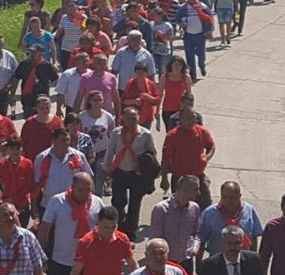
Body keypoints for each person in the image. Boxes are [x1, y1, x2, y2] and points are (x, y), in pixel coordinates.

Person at [103, 107, 157, 238]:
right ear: (123, 118)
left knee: (135, 203)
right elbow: (110, 152)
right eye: (128, 118)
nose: (131, 121)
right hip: (119, 171)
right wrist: (107, 170)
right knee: (118, 202)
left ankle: (131, 230)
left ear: (138, 118)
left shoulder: (145, 134)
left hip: (136, 174)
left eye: (134, 118)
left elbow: (152, 153)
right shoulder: (116, 133)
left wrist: (143, 163)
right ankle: (119, 229)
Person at [31, 127, 93, 221]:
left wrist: (91, 202)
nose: (66, 143)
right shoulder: (42, 158)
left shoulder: (78, 156)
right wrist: (33, 206)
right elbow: (36, 185)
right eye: (63, 140)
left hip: (74, 204)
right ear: (53, 141)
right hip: (49, 205)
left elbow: (89, 179)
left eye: (68, 140)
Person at [160, 108, 215, 210]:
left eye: (194, 117)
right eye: (188, 118)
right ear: (181, 119)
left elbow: (211, 146)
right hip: (179, 179)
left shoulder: (202, 132)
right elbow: (166, 158)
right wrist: (164, 178)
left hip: (198, 177)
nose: (192, 120)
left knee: (206, 206)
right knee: (179, 208)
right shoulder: (172, 135)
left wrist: (206, 157)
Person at [198, 181, 263, 259]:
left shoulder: (249, 210)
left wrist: (252, 259)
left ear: (239, 196)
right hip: (217, 260)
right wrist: (199, 263)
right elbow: (201, 240)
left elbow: (253, 237)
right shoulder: (210, 213)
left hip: (242, 261)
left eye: (232, 197)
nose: (228, 201)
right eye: (224, 197)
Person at [79, 90, 116, 195]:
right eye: (95, 100)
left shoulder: (108, 116)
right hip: (86, 152)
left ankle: (98, 199)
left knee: (99, 176)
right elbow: (78, 134)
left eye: (100, 100)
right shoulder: (82, 116)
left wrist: (112, 154)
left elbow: (113, 136)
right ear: (89, 101)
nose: (98, 102)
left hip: (102, 151)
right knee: (88, 176)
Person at [0, 137, 34, 227]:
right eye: (11, 149)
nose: (15, 151)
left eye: (17, 148)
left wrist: (14, 199)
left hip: (22, 203)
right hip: (4, 204)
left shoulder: (27, 163)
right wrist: (5, 200)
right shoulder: (0, 164)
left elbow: (29, 185)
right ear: (7, 150)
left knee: (21, 230)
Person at [11, 45, 59, 119]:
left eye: (34, 52)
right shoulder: (24, 64)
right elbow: (16, 78)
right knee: (29, 120)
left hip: (42, 99)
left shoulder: (47, 65)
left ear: (41, 53)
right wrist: (12, 94)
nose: (32, 54)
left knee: (42, 119)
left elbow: (55, 80)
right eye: (31, 52)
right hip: (27, 98)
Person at [177, 0, 214, 82]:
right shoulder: (183, 8)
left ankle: (202, 65)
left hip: (200, 35)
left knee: (201, 53)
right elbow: (178, 19)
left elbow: (209, 19)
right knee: (189, 55)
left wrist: (209, 31)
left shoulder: (202, 6)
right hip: (188, 35)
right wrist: (181, 23)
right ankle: (192, 74)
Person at [21, 95, 64, 160]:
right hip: (33, 158)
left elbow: (63, 138)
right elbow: (23, 141)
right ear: (36, 108)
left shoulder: (57, 121)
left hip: (51, 158)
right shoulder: (29, 123)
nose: (45, 110)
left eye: (47, 108)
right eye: (42, 108)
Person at [122, 62, 160, 130]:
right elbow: (123, 101)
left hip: (147, 117)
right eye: (138, 72)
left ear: (146, 73)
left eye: (143, 72)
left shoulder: (151, 84)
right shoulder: (130, 84)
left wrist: (148, 97)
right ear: (135, 73)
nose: (140, 74)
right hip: (132, 117)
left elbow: (157, 100)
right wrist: (134, 101)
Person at [158, 56, 192, 129]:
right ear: (171, 65)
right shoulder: (164, 77)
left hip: (182, 110)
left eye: (180, 65)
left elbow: (189, 96)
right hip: (167, 109)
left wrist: (189, 110)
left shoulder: (186, 78)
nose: (177, 67)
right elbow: (160, 95)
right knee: (170, 132)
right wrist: (157, 110)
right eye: (175, 64)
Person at [150, 8, 174, 76]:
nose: (152, 16)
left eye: (154, 15)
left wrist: (161, 35)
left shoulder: (167, 25)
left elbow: (170, 39)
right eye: (152, 15)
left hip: (164, 52)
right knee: (153, 69)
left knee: (163, 70)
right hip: (153, 51)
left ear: (160, 16)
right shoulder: (151, 24)